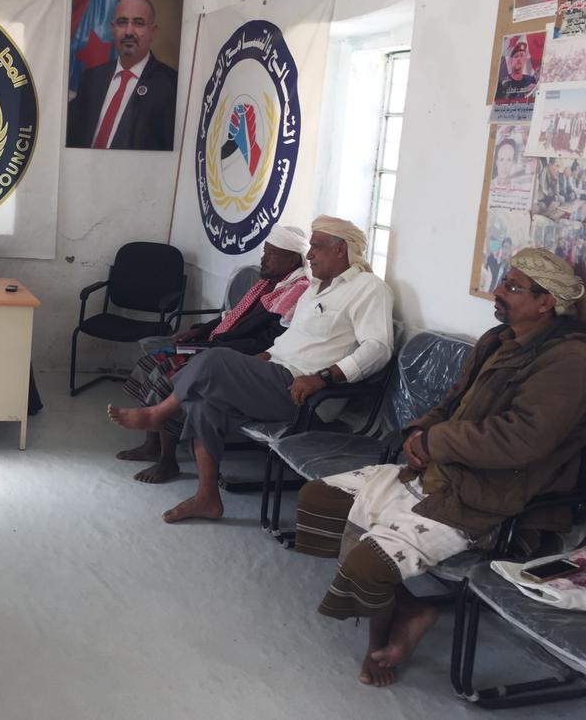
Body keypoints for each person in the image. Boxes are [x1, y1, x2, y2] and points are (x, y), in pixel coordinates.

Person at [293, 248, 585, 688]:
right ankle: (409, 604)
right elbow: (453, 402)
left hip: (489, 499)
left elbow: (522, 439)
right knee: (318, 498)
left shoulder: (568, 362)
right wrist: (420, 430)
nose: (498, 290)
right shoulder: (497, 340)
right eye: (503, 280)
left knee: (368, 565)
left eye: (512, 287)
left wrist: (436, 442)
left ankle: (386, 637)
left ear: (546, 303)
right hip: (436, 472)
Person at [107, 216, 394, 523]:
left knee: (215, 359)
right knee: (204, 402)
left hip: (303, 391)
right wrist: (260, 358)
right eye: (310, 246)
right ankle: (207, 498)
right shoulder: (315, 289)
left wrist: (323, 378)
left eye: (317, 247)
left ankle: (157, 413)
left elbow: (378, 348)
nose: (310, 254)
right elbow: (289, 341)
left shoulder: (369, 288)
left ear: (341, 250)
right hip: (275, 373)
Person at [117, 224, 310, 484]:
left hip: (238, 356)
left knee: (169, 375)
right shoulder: (268, 283)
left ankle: (168, 460)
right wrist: (200, 332)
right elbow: (231, 317)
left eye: (272, 254)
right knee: (152, 361)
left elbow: (267, 341)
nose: (264, 258)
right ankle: (151, 444)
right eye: (265, 251)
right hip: (218, 344)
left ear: (293, 259)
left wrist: (216, 347)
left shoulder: (298, 292)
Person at [66, 0, 178, 151]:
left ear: (153, 31)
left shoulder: (172, 86)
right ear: (113, 28)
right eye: (122, 22)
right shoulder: (91, 78)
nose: (129, 31)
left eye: (138, 23)